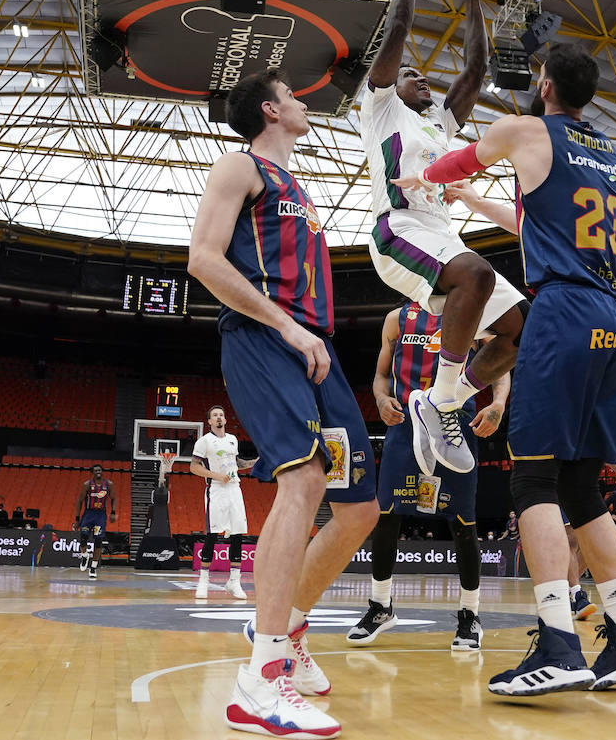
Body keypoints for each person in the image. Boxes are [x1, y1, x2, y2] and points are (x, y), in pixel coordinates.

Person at [397, 42, 616, 695]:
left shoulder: (524, 129)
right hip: (615, 321)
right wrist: (475, 201)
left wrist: (425, 179)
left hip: (564, 315)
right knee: (580, 487)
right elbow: (535, 221)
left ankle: (558, 641)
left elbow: (459, 157)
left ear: (544, 85)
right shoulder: (608, 155)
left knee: (533, 479)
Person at [188, 69, 381, 737]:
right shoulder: (239, 167)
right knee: (302, 480)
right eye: (292, 94)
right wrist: (286, 326)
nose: (302, 102)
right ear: (271, 110)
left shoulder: (297, 185)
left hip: (313, 347)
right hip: (265, 340)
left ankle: (288, 625)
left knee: (360, 509)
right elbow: (203, 259)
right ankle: (260, 680)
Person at [362, 0, 526, 477]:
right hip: (397, 230)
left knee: (519, 330)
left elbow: (476, 69)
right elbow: (398, 28)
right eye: (410, 74)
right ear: (390, 85)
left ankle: (441, 402)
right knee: (476, 274)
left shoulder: (439, 122)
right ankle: (441, 398)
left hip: (440, 233)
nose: (420, 76)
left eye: (422, 74)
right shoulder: (380, 110)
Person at [347, 301, 509, 650]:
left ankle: (470, 614)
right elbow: (381, 375)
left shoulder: (472, 312)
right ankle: (380, 606)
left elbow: (500, 365)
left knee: (463, 522)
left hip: (454, 425)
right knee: (387, 516)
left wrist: (497, 404)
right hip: (405, 423)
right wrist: (380, 399)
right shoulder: (397, 318)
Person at [191, 405, 256, 600]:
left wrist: (255, 462)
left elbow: (237, 463)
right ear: (209, 421)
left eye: (221, 415)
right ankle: (203, 581)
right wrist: (216, 476)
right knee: (212, 534)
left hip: (234, 489)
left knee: (237, 534)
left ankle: (234, 581)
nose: (219, 417)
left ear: (225, 420)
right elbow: (194, 467)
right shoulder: (204, 441)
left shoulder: (232, 439)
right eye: (215, 415)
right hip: (216, 489)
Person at [74, 465, 115, 580]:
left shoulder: (109, 484)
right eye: (96, 470)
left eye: (100, 470)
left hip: (100, 516)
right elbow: (79, 501)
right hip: (88, 514)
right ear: (92, 472)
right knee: (83, 538)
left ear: (102, 471)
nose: (98, 472)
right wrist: (77, 519)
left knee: (98, 541)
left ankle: (93, 568)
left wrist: (113, 512)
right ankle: (85, 556)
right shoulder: (87, 484)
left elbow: (114, 498)